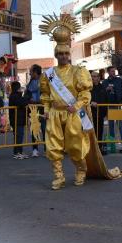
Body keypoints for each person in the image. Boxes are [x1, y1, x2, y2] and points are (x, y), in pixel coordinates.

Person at [40, 15, 93, 190]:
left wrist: (76, 106)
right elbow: (45, 94)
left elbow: (85, 93)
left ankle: (81, 170)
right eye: (60, 54)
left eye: (65, 53)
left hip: (73, 112)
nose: (63, 56)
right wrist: (46, 108)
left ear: (69, 54)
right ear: (56, 55)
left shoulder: (78, 71)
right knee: (53, 146)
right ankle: (58, 176)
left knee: (75, 145)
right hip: (55, 113)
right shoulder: (48, 74)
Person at [102, 66, 122, 153]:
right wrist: (106, 89)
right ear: (108, 72)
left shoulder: (119, 80)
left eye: (114, 71)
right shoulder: (105, 82)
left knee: (120, 125)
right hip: (109, 106)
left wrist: (121, 101)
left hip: (118, 105)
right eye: (112, 71)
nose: (114, 73)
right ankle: (112, 146)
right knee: (111, 126)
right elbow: (102, 94)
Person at [26, 64, 45, 157]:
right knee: (34, 129)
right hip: (33, 109)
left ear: (35, 72)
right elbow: (27, 95)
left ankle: (46, 149)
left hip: (43, 108)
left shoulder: (45, 80)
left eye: (31, 71)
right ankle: (35, 149)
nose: (29, 73)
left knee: (46, 129)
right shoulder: (30, 82)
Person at [9, 81, 31, 160]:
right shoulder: (14, 96)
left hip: (19, 119)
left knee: (19, 136)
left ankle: (19, 152)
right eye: (19, 87)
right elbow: (21, 103)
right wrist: (27, 97)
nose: (21, 89)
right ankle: (17, 152)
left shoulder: (16, 95)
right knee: (18, 136)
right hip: (16, 119)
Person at [90, 71, 108, 155]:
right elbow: (84, 99)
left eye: (96, 76)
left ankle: (99, 149)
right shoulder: (88, 88)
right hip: (90, 113)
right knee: (90, 132)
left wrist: (105, 112)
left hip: (100, 113)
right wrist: (91, 102)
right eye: (93, 76)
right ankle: (91, 149)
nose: (94, 78)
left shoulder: (102, 87)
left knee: (99, 131)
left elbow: (105, 99)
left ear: (99, 78)